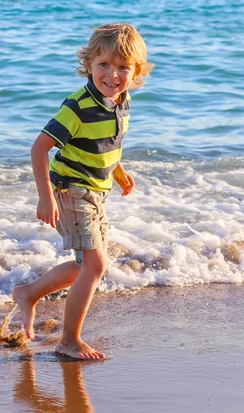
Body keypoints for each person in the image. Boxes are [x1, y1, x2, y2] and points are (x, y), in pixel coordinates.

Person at [13, 23, 152, 360]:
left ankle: (29, 294)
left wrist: (117, 169)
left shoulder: (121, 100)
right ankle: (69, 341)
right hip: (70, 189)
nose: (113, 74)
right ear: (89, 64)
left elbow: (109, 140)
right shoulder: (77, 107)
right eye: (103, 64)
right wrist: (45, 197)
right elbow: (39, 148)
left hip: (96, 190)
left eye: (123, 67)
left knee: (83, 266)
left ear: (136, 72)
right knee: (96, 265)